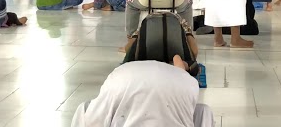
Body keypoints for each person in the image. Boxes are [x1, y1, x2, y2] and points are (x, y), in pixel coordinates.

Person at [70, 56, 210, 127]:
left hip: (125, 79)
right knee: (203, 111)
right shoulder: (184, 80)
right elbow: (177, 60)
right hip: (128, 78)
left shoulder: (184, 79)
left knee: (85, 109)